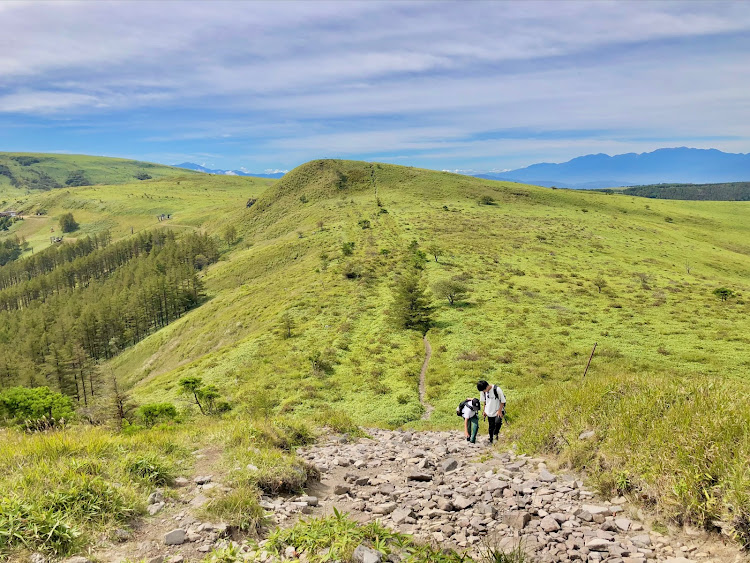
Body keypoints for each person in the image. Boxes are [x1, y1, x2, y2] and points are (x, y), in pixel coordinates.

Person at [477, 379, 506, 444]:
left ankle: (495, 435)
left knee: (498, 422)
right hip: (489, 411)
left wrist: (500, 411)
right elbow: (484, 401)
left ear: (487, 386)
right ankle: (491, 439)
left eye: (484, 390)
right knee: (491, 427)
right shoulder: (483, 392)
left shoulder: (497, 389)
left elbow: (503, 401)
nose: (484, 391)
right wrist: (484, 411)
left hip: (497, 410)